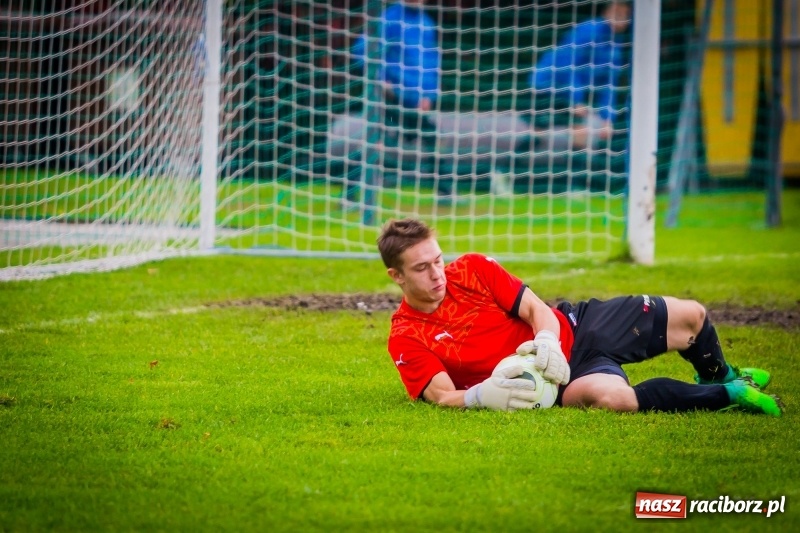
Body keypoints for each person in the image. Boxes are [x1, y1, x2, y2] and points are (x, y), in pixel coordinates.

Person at [377, 218, 783, 416]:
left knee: (691, 316)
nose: (436, 275)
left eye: (438, 260)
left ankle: (719, 374)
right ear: (395, 276)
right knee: (616, 400)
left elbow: (537, 310)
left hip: (576, 325)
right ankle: (732, 395)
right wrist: (483, 395)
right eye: (421, 269)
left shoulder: (471, 270)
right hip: (557, 381)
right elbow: (443, 396)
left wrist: (548, 340)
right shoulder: (407, 335)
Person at [350, 0, 455, 205]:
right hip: (392, 99)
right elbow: (361, 50)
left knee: (433, 139)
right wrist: (381, 79)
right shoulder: (390, 19)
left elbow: (432, 62)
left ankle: (445, 194)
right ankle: (350, 195)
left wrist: (429, 95)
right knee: (375, 142)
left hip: (416, 101)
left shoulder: (426, 23)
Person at [524, 0, 631, 151]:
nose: (621, 20)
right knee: (539, 135)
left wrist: (608, 118)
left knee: (582, 134)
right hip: (546, 85)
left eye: (625, 16)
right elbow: (569, 65)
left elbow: (609, 84)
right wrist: (576, 100)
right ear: (606, 13)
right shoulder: (589, 30)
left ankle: (571, 168)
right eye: (617, 14)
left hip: (567, 92)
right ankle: (518, 162)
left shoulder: (616, 44)